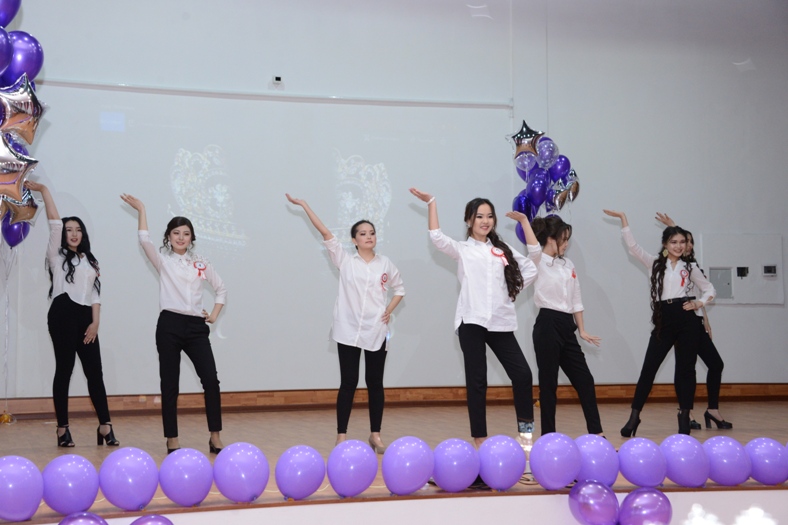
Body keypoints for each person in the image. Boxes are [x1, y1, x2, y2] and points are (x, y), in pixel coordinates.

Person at [409, 189, 539, 448]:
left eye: (489, 216)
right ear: (469, 220)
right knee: (477, 380)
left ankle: (526, 434)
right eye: (479, 216)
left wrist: (511, 289)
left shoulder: (501, 250)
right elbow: (437, 238)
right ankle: (480, 437)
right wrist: (432, 202)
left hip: (500, 322)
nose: (485, 221)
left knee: (523, 375)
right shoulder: (463, 249)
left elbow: (533, 264)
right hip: (472, 321)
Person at [286, 194, 404, 452]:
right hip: (347, 330)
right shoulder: (345, 260)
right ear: (354, 240)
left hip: (376, 331)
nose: (368, 236)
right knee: (349, 382)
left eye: (372, 233)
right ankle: (341, 435)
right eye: (362, 233)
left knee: (375, 384)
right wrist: (305, 205)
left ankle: (375, 435)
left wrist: (388, 311)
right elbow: (325, 232)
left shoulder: (385, 263)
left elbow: (400, 289)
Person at [120, 194, 226, 454]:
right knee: (170, 384)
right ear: (168, 236)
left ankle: (215, 437)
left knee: (211, 380)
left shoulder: (201, 263)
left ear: (192, 238)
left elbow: (221, 288)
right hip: (169, 325)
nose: (181, 237)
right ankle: (172, 439)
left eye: (186, 234)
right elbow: (144, 239)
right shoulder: (163, 260)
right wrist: (142, 208)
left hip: (196, 328)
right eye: (176, 233)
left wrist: (213, 315)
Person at [603, 210, 715, 435]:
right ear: (665, 244)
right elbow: (633, 247)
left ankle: (684, 416)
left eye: (682, 242)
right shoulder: (654, 263)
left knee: (687, 370)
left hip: (686, 320)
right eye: (674, 242)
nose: (679, 246)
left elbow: (709, 289)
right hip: (664, 319)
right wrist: (624, 220)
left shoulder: (690, 266)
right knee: (649, 369)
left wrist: (699, 303)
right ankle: (634, 417)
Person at [25, 181, 119, 448]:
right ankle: (62, 429)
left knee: (95, 373)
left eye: (78, 229)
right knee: (64, 370)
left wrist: (95, 323)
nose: (74, 234)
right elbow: (54, 223)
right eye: (69, 230)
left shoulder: (91, 260)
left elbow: (95, 296)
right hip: (62, 314)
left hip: (86, 318)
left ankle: (105, 425)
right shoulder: (56, 256)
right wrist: (44, 191)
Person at [655, 212, 732, 430]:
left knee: (715, 364)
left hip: (696, 322)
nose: (685, 245)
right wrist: (672, 225)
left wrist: (705, 319)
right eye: (680, 241)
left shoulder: (691, 266)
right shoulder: (676, 264)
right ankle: (685, 412)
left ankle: (712, 409)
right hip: (680, 322)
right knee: (685, 368)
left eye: (688, 242)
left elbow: (699, 295)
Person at [529, 215, 603, 436]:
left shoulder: (568, 264)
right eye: (564, 238)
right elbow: (532, 247)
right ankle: (548, 436)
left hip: (566, 325)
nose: (567, 243)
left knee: (585, 380)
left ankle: (597, 433)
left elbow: (576, 299)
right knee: (548, 385)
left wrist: (582, 329)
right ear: (551, 239)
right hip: (547, 325)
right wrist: (524, 222)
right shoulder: (537, 260)